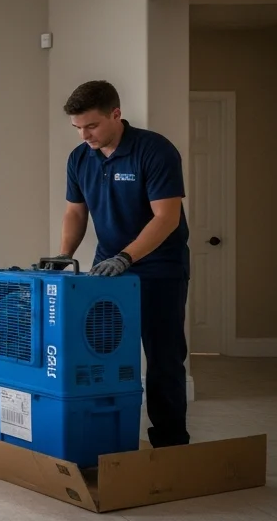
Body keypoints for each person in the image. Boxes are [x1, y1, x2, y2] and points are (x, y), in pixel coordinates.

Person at [55, 80, 191, 447]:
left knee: (163, 358)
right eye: (78, 128)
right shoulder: (80, 157)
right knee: (101, 350)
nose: (85, 135)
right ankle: (103, 433)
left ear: (116, 114)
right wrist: (64, 257)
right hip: (107, 270)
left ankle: (170, 441)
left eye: (92, 126)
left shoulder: (154, 150)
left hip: (158, 267)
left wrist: (127, 256)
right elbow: (75, 212)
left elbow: (166, 218)